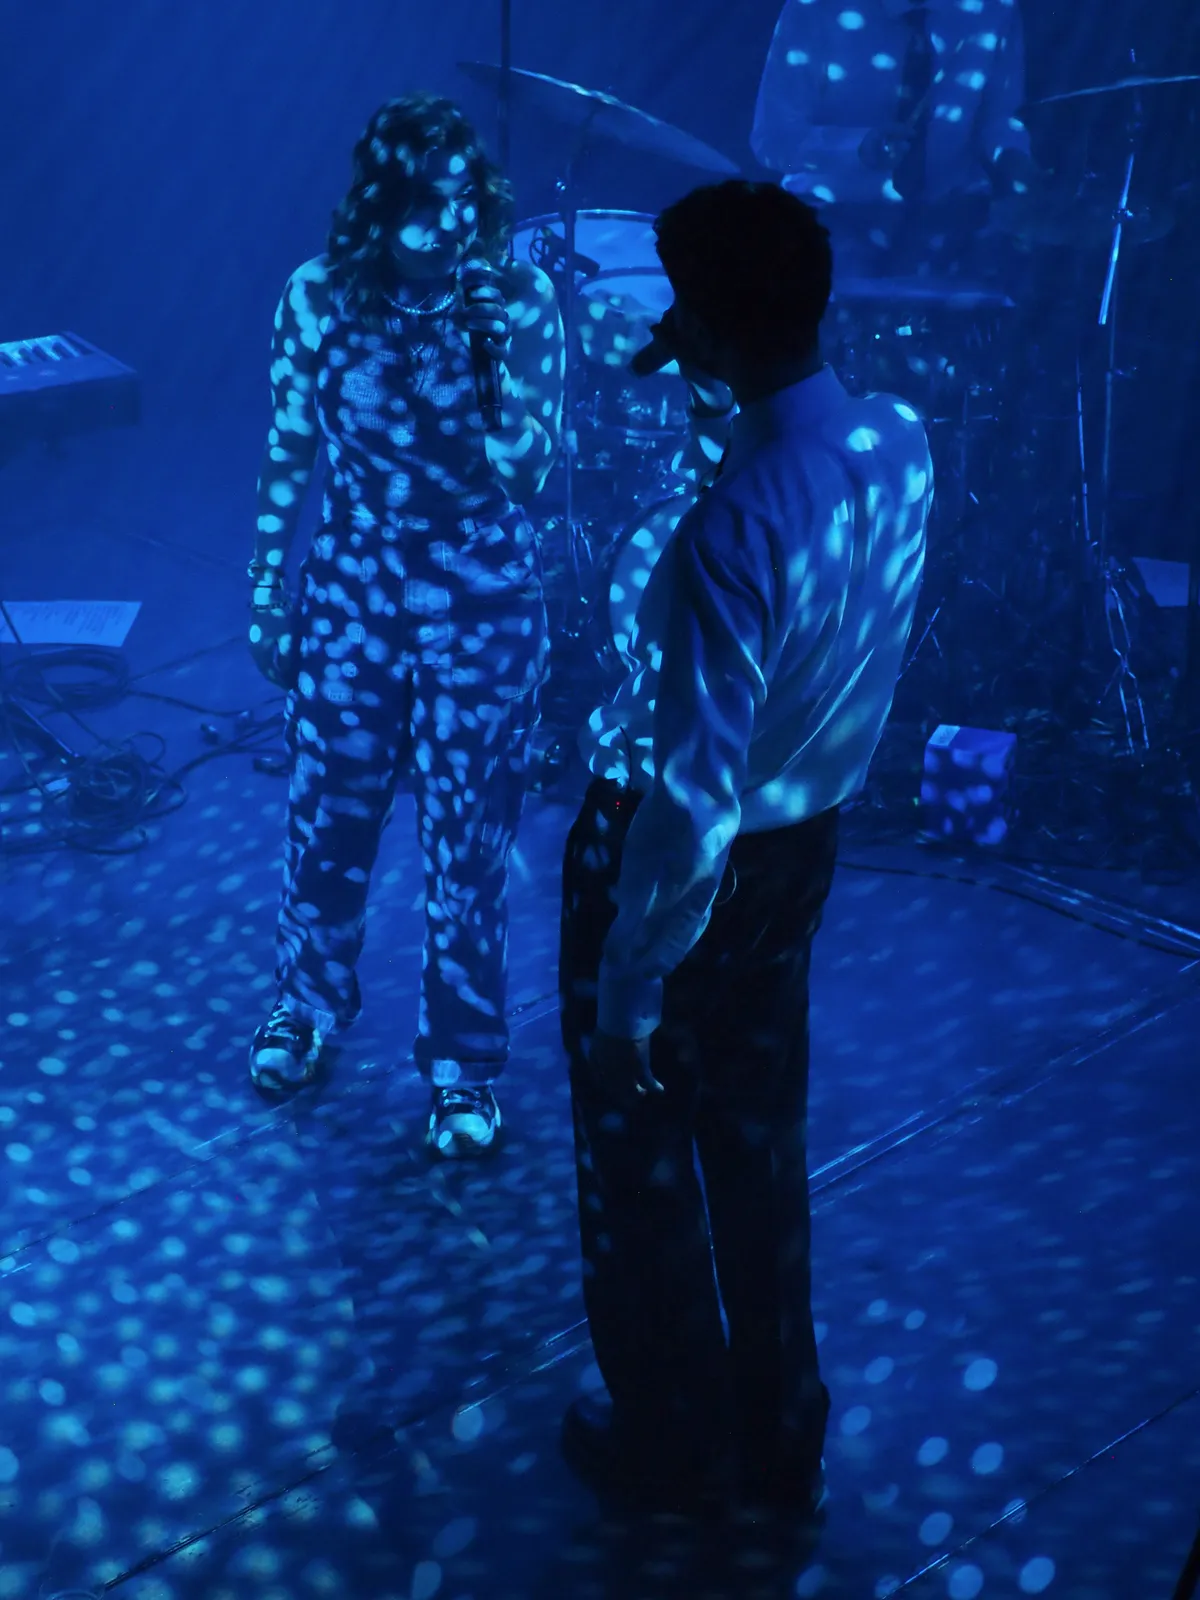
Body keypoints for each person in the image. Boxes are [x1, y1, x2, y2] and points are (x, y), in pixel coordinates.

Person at [556, 180, 933, 1513]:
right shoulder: (898, 439)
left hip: (683, 869)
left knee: (640, 1163)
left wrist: (630, 982)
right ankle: (781, 1430)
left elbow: (691, 795)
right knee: (761, 1144)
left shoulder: (734, 525)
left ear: (708, 325)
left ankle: (673, 1442)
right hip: (805, 848)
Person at [246, 93, 564, 1159]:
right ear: (378, 204)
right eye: (423, 203)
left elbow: (528, 472)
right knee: (328, 818)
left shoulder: (518, 300)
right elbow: (290, 447)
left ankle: (463, 1065)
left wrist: (487, 362)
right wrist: (267, 588)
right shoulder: (319, 295)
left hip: (480, 600)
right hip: (355, 593)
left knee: (468, 844)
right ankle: (306, 1004)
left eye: (462, 200)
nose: (445, 225)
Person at [751, 0, 1036, 274]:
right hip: (831, 223)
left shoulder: (994, 7)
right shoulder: (816, 7)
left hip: (952, 227)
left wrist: (1016, 164)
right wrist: (859, 148)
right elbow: (773, 138)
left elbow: (1001, 119)